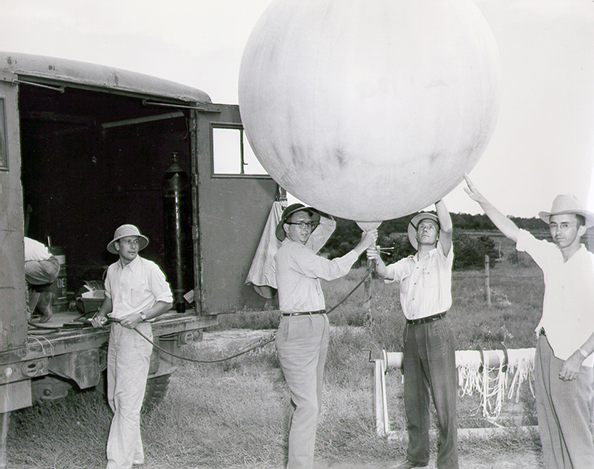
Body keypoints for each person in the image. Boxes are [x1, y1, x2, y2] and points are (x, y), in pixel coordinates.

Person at [464, 174, 594, 468]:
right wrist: (482, 200)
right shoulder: (550, 254)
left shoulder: (589, 266)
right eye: (553, 225)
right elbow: (513, 231)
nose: (558, 232)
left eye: (565, 225)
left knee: (576, 436)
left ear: (581, 228)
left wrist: (579, 356)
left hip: (573, 358)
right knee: (550, 432)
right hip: (546, 350)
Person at [274, 203, 377, 469]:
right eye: (300, 224)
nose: (306, 228)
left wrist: (323, 199)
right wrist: (361, 245)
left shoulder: (303, 247)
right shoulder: (292, 251)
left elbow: (328, 225)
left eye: (309, 224)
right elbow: (332, 271)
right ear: (286, 228)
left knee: (310, 402)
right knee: (307, 405)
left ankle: (302, 461)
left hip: (315, 324)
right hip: (298, 329)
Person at [368, 200, 458, 469]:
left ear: (436, 233)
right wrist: (375, 256)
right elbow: (383, 272)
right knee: (414, 400)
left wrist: (438, 196)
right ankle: (417, 458)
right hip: (411, 332)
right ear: (416, 235)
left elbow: (449, 227)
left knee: (444, 403)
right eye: (422, 226)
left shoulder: (443, 256)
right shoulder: (407, 264)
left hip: (437, 330)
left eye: (432, 225)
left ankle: (448, 464)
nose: (427, 229)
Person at [91, 224, 173, 469]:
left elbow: (166, 301)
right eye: (127, 242)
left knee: (127, 400)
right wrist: (100, 315)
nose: (133, 246)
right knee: (115, 398)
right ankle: (135, 454)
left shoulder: (149, 269)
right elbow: (110, 298)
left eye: (136, 241)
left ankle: (118, 463)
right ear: (117, 246)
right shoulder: (112, 270)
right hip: (117, 333)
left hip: (137, 333)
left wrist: (141, 316)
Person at [24, 236, 61, 323]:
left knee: (20, 272)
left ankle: (26, 314)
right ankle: (45, 310)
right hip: (49, 264)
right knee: (31, 280)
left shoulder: (16, 243)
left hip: (50, 264)